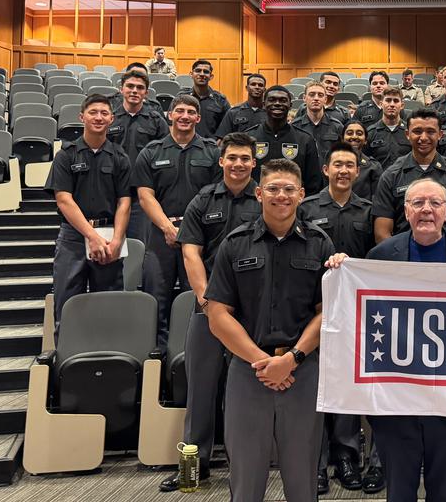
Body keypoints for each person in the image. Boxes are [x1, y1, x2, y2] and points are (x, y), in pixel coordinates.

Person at [328, 177, 446, 502]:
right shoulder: (381, 254)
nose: (426, 210)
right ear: (405, 210)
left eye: (435, 204)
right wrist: (342, 268)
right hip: (396, 400)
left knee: (444, 489)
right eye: (418, 203)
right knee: (399, 489)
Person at [205, 158, 333, 502]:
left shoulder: (320, 244)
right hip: (248, 373)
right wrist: (264, 362)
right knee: (245, 480)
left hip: (303, 373)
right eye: (273, 189)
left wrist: (291, 359)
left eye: (289, 189)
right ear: (259, 193)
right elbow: (217, 315)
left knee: (303, 480)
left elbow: (327, 314)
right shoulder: (234, 244)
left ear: (302, 195)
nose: (281, 196)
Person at [159, 132, 261, 493]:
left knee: (245, 394)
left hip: (251, 313)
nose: (238, 164)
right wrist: (205, 300)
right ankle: (192, 468)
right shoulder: (203, 200)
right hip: (208, 309)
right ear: (221, 161)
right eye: (232, 157)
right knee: (199, 391)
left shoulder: (264, 200)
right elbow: (190, 252)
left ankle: (243, 466)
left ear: (254, 162)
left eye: (245, 158)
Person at [299, 143, 375, 495]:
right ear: (326, 170)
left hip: (355, 311)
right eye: (338, 165)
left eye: (350, 165)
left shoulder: (370, 211)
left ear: (357, 172)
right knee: (315, 384)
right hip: (312, 307)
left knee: (345, 383)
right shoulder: (307, 208)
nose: (344, 171)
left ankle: (346, 457)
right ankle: (314, 461)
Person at [133, 95, 221, 346]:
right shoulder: (151, 151)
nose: (184, 116)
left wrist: (189, 230)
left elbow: (215, 195)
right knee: (156, 300)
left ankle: (189, 351)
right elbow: (145, 195)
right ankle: (157, 354)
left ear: (198, 118)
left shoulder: (212, 152)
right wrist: (168, 228)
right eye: (179, 111)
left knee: (196, 298)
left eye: (191, 112)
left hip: (199, 238)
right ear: (169, 115)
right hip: (161, 236)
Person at [47, 94, 131, 333]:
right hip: (73, 237)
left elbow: (124, 201)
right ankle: (65, 361)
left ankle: (107, 360)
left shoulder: (120, 157)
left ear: (112, 119)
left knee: (109, 305)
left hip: (108, 235)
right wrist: (91, 236)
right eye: (93, 112)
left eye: (104, 113)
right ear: (82, 116)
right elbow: (64, 199)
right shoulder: (66, 155)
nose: (99, 117)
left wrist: (117, 239)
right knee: (67, 304)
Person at [372, 108, 446, 242]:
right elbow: (382, 233)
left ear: (440, 134)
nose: (423, 137)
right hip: (403, 258)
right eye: (417, 131)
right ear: (407, 134)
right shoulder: (391, 176)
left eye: (431, 132)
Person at [107, 70, 169, 241]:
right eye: (130, 86)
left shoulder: (156, 120)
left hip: (142, 194)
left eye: (140, 88)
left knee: (139, 242)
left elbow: (165, 151)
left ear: (146, 93)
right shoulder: (109, 118)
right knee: (111, 241)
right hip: (112, 191)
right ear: (121, 89)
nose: (135, 90)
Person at [247, 85, 322, 193]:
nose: (277, 103)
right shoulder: (249, 138)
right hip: (255, 204)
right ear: (263, 105)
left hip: (294, 205)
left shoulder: (305, 140)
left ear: (290, 105)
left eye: (283, 100)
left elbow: (313, 182)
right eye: (272, 100)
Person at [292, 81, 346, 164]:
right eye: (312, 94)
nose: (316, 98)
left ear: (325, 99)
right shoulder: (294, 127)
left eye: (320, 95)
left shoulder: (337, 126)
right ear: (304, 98)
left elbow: (343, 154)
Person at [179, 59, 231, 139]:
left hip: (211, 147)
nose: (202, 74)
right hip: (185, 146)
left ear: (211, 76)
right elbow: (171, 124)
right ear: (191, 74)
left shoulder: (220, 100)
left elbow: (228, 126)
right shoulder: (181, 98)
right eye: (198, 71)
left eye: (206, 72)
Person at [364, 86, 411, 169]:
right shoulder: (370, 132)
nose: (392, 104)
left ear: (402, 105)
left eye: (396, 101)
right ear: (381, 104)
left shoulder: (411, 131)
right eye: (388, 100)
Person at [215, 73, 267, 137]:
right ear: (247, 88)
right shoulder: (233, 112)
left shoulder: (270, 113)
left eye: (260, 85)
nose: (257, 87)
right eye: (253, 84)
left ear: (264, 89)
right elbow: (221, 138)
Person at [342, 120, 383, 200]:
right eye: (349, 133)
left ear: (365, 140)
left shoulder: (373, 167)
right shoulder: (332, 165)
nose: (354, 137)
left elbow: (377, 200)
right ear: (342, 138)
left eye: (359, 134)